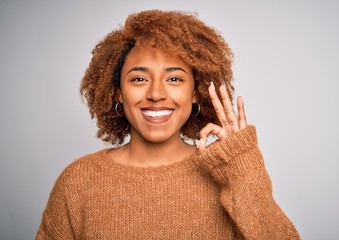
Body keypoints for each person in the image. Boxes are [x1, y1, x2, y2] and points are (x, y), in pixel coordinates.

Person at [36, 10, 300, 239]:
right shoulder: (78, 182)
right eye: (139, 79)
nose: (156, 94)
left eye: (174, 79)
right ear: (117, 91)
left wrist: (241, 167)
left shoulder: (229, 175)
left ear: (196, 92)